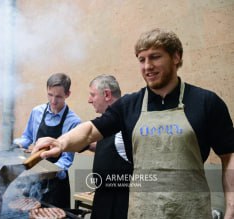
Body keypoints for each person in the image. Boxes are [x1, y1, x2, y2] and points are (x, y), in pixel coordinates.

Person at [33, 28, 234, 218]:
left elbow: (229, 155)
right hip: (142, 211)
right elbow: (90, 130)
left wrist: (231, 209)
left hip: (190, 210)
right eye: (142, 59)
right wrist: (61, 143)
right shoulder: (129, 105)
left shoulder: (206, 102)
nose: (147, 66)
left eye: (155, 56)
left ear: (176, 57)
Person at [13, 72, 81, 208]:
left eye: (58, 97)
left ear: (68, 94)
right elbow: (27, 137)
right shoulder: (37, 111)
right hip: (33, 179)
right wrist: (14, 145)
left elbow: (67, 159)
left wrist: (49, 172)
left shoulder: (74, 121)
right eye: (50, 95)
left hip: (57, 185)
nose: (53, 101)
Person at [87, 74, 132, 219]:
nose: (89, 100)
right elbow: (112, 149)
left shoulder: (127, 122)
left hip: (119, 205)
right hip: (103, 198)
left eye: (92, 95)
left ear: (107, 95)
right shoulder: (107, 123)